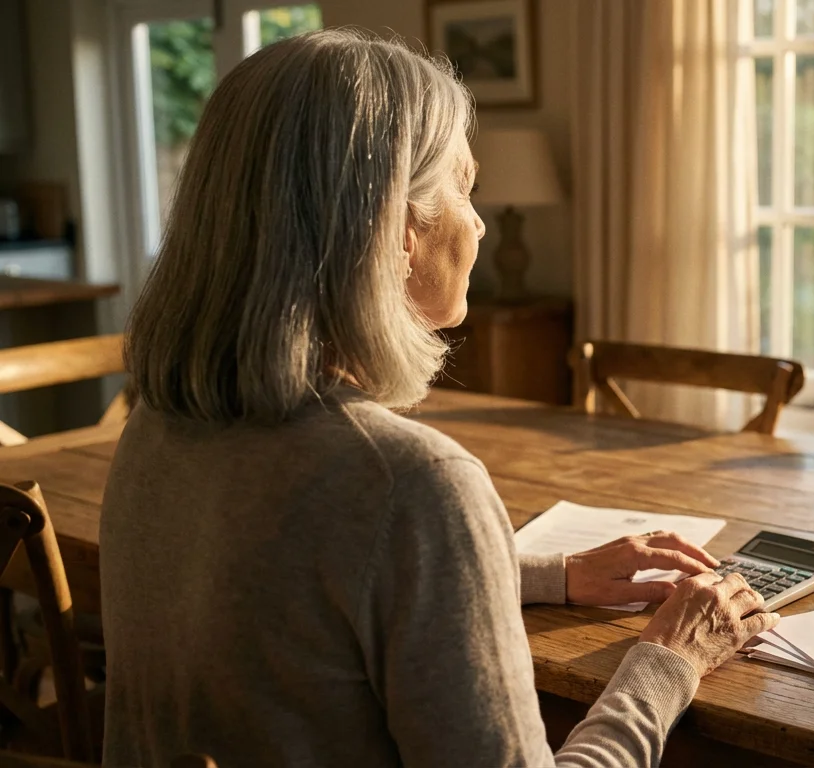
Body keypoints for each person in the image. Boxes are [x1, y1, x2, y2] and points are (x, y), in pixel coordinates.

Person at [101, 29, 778, 768]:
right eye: (464, 186)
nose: (479, 221)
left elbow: (308, 585)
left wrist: (547, 575)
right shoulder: (414, 484)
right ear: (395, 231)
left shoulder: (159, 426)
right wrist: (667, 662)